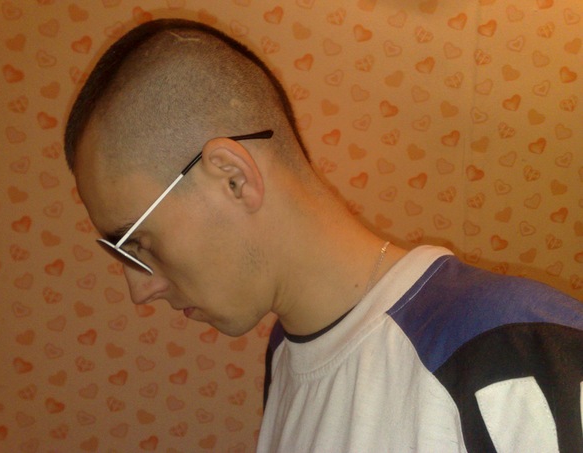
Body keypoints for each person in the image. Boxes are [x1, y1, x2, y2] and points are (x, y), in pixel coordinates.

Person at [65, 18, 583, 452]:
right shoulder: (287, 355)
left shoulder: (514, 351)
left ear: (232, 178)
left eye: (137, 242)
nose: (139, 289)